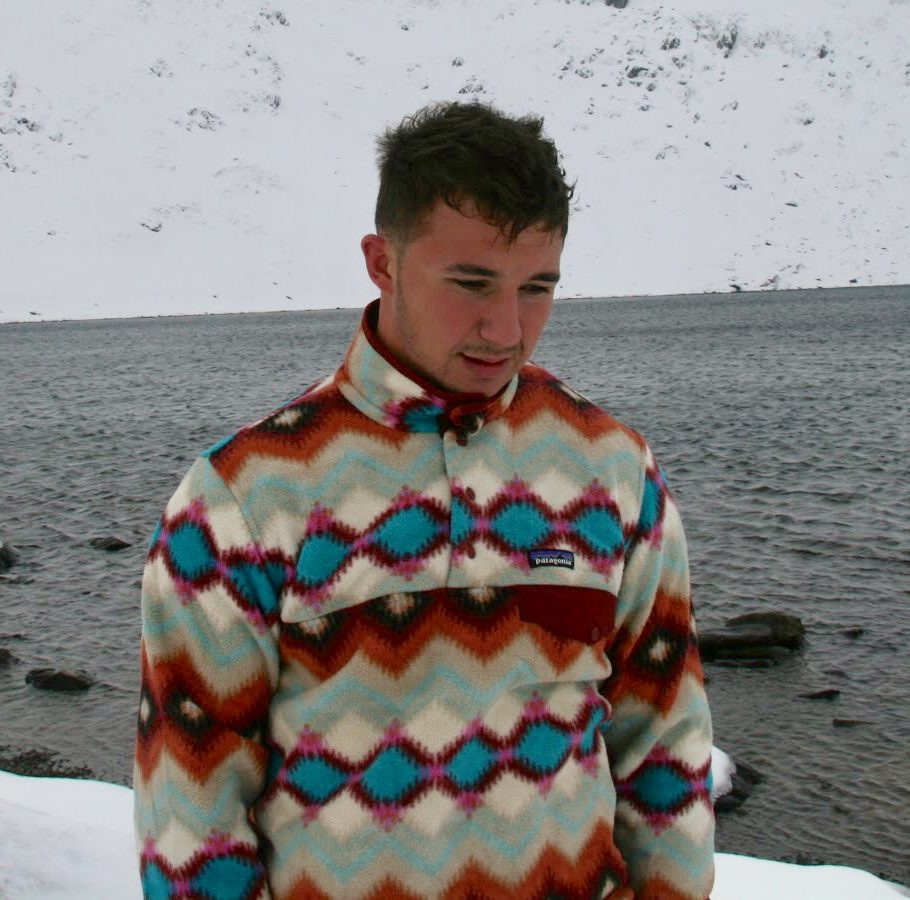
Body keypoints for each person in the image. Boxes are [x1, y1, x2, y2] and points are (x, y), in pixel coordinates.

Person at [133, 101, 715, 899]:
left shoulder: (611, 467)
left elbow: (666, 742)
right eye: (471, 283)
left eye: (537, 287)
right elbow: (190, 809)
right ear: (383, 262)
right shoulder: (243, 497)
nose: (506, 328)